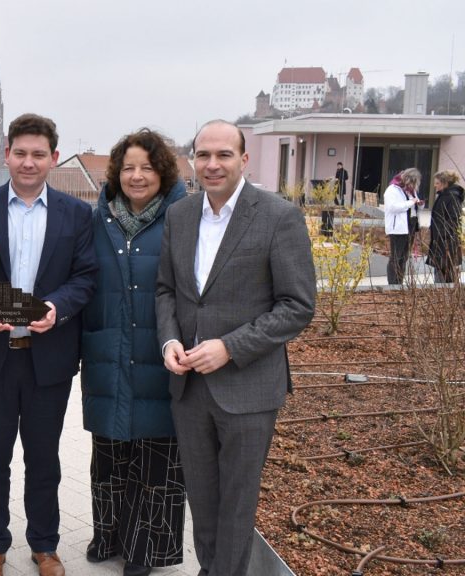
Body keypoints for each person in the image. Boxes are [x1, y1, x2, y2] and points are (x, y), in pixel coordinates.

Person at [156, 120, 316, 576]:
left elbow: (297, 305)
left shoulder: (277, 216)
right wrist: (169, 340)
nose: (212, 164)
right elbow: (166, 290)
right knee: (203, 501)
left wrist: (229, 347)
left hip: (248, 389)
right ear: (193, 159)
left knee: (237, 504)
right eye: (203, 155)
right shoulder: (180, 215)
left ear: (244, 160)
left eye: (224, 155)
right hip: (189, 388)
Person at [0, 113, 97, 576]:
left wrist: (57, 307)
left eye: (39, 154)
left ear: (53, 159)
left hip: (48, 361)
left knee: (44, 458)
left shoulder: (77, 214)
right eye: (20, 152)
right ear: (6, 155)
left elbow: (85, 277)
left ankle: (44, 545)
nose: (28, 162)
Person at [80, 129, 187, 576]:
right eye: (128, 168)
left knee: (156, 452)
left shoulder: (184, 217)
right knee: (109, 452)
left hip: (160, 345)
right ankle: (108, 534)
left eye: (146, 167)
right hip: (107, 348)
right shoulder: (98, 218)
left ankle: (147, 548)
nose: (137, 176)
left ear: (162, 171)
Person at [383, 168, 424, 285]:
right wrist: (411, 202)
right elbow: (392, 207)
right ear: (408, 180)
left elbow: (414, 206)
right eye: (414, 183)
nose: (415, 186)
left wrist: (419, 204)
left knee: (404, 257)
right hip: (398, 228)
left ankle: (399, 282)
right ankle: (393, 283)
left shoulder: (410, 190)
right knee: (396, 256)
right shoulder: (392, 190)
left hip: (410, 225)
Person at [427, 170, 464, 283]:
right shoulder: (444, 196)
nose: (435, 185)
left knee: (445, 269)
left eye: (437, 183)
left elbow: (453, 220)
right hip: (440, 240)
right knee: (441, 268)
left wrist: (441, 234)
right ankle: (442, 294)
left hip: (446, 241)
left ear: (445, 183)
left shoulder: (452, 197)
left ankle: (444, 294)